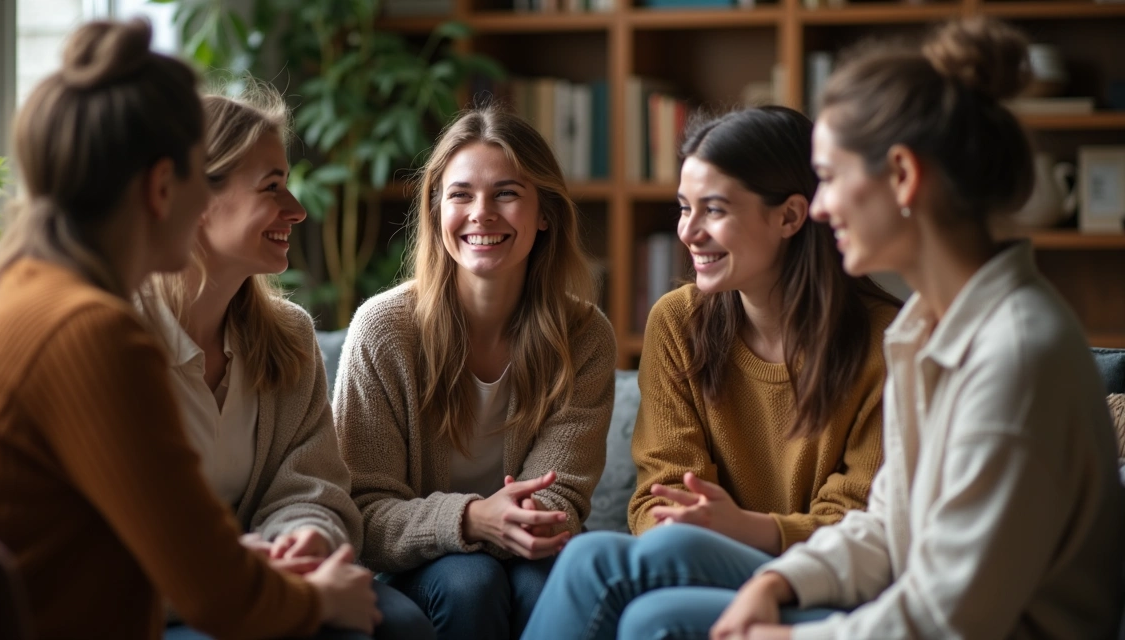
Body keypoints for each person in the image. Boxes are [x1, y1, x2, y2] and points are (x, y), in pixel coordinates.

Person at [0, 19, 378, 640]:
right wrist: (319, 599)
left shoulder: (4, 296)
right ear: (162, 188)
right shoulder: (90, 332)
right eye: (195, 180)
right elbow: (218, 596)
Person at [709, 17, 1124, 639]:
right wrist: (778, 580)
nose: (818, 206)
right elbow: (889, 525)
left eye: (830, 177)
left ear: (902, 176)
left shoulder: (1015, 356)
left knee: (659, 621)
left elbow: (947, 619)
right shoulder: (921, 329)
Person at [520, 105, 898, 640]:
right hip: (704, 562)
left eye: (714, 210)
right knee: (644, 609)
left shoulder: (887, 344)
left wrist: (748, 529)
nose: (688, 232)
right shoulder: (678, 323)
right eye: (684, 208)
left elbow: (866, 523)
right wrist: (694, 525)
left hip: (829, 580)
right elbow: (662, 492)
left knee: (596, 562)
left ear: (790, 217)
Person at [136, 82, 434, 640]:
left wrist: (305, 535)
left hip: (264, 577)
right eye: (272, 188)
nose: (297, 211)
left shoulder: (289, 338)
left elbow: (310, 487)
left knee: (401, 626)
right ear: (196, 199)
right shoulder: (116, 340)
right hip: (161, 601)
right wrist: (256, 579)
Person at [333, 104, 617, 640]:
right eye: (460, 195)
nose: (481, 214)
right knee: (471, 582)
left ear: (545, 213)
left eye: (506, 194)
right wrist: (469, 520)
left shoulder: (584, 336)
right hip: (416, 566)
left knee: (548, 581)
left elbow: (559, 500)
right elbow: (361, 512)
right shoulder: (383, 330)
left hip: (532, 553)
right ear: (437, 210)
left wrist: (509, 523)